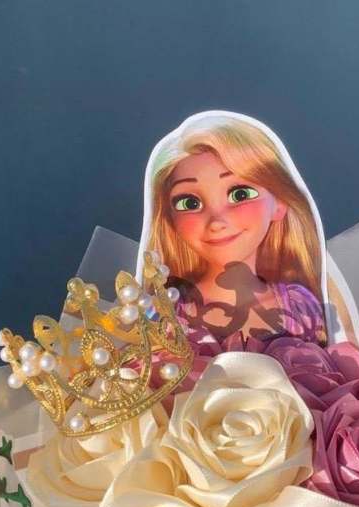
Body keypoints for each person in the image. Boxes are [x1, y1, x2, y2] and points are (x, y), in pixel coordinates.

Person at [137, 111, 329, 351]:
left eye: (240, 194)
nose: (217, 221)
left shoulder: (300, 309)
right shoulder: (165, 313)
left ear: (279, 203)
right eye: (189, 203)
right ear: (169, 217)